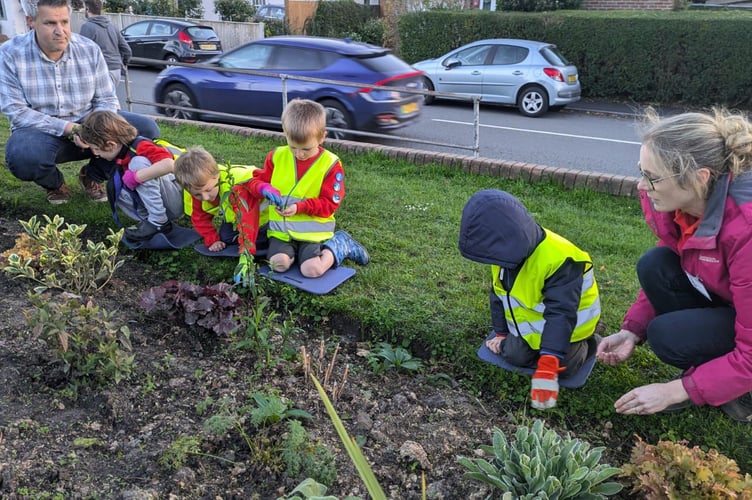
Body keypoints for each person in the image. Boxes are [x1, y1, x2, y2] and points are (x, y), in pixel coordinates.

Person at [596, 107, 752, 422]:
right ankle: (716, 376)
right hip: (734, 302)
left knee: (670, 337)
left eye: (652, 178)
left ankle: (739, 393)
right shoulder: (687, 207)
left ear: (699, 178)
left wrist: (677, 390)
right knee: (656, 263)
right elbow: (680, 257)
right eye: (641, 171)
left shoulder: (746, 230)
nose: (641, 186)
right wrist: (631, 331)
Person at [0, 0, 159, 206]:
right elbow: (16, 111)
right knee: (21, 155)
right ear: (31, 21)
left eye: (64, 22)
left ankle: (92, 176)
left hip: (89, 121)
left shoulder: (89, 49)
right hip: (42, 132)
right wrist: (70, 129)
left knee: (146, 129)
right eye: (50, 23)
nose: (60, 31)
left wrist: (97, 130)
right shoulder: (9, 54)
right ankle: (55, 184)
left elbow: (106, 98)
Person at [458, 189, 601, 410]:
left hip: (570, 328)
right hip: (532, 330)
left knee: (566, 366)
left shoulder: (560, 261)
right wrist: (501, 333)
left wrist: (549, 361)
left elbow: (561, 315)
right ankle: (542, 349)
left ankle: (586, 344)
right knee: (514, 355)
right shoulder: (505, 256)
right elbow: (498, 294)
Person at [244, 98, 370, 279]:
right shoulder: (276, 156)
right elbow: (254, 183)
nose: (299, 154)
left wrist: (299, 208)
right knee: (278, 264)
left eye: (306, 149)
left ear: (322, 137)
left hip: (312, 233)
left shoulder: (330, 165)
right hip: (281, 232)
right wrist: (263, 188)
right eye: (293, 147)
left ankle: (339, 245)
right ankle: (292, 254)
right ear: (285, 133)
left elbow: (329, 205)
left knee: (312, 270)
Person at [78, 111, 182, 242]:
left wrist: (137, 177)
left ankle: (159, 222)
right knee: (115, 184)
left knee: (138, 164)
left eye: (95, 148)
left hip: (176, 198)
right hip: (165, 202)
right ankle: (149, 221)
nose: (95, 153)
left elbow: (170, 165)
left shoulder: (142, 146)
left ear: (111, 145)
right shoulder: (121, 153)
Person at [173, 146, 269, 268]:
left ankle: (274, 240)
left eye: (208, 190)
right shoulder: (197, 187)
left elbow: (247, 219)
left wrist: (246, 253)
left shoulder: (234, 186)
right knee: (226, 237)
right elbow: (199, 218)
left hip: (270, 215)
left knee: (258, 236)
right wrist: (212, 240)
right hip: (241, 216)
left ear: (217, 176)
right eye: (198, 194)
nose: (205, 197)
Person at [80, 0, 132, 88]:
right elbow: (127, 50)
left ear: (87, 9)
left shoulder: (87, 27)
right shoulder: (112, 26)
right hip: (116, 71)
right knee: (108, 98)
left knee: (99, 100)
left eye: (84, 8)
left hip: (101, 71)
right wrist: (122, 62)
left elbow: (80, 53)